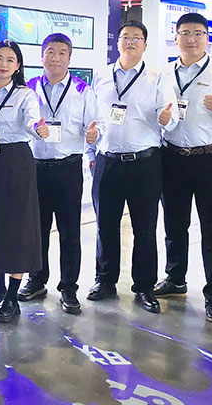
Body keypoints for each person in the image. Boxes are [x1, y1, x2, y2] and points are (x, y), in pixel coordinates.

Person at [156, 13, 212, 323]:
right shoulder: (164, 72)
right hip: (172, 157)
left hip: (210, 158)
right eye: (185, 33)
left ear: (207, 37)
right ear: (175, 37)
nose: (191, 39)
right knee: (174, 223)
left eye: (198, 33)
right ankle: (175, 278)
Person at [89, 21, 178, 314]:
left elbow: (170, 113)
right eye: (125, 37)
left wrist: (168, 120)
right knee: (105, 225)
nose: (130, 42)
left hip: (144, 163)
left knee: (145, 228)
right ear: (117, 43)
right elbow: (93, 117)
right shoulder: (101, 75)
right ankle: (105, 281)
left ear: (145, 45)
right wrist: (91, 152)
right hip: (107, 161)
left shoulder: (157, 77)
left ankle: (144, 287)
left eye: (136, 38)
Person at [21, 34, 99, 314]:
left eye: (62, 53)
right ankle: (37, 279)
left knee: (69, 231)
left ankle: (68, 287)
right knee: (37, 229)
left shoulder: (82, 90)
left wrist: (94, 134)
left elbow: (96, 123)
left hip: (68, 168)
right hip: (36, 168)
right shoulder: (28, 88)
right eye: (50, 52)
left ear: (69, 58)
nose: (55, 58)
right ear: (41, 56)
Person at [0, 40, 48, 323]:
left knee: (18, 227)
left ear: (18, 66)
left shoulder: (25, 95)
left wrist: (38, 128)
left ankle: (12, 296)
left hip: (17, 160)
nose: (3, 64)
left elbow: (31, 121)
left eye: (10, 60)